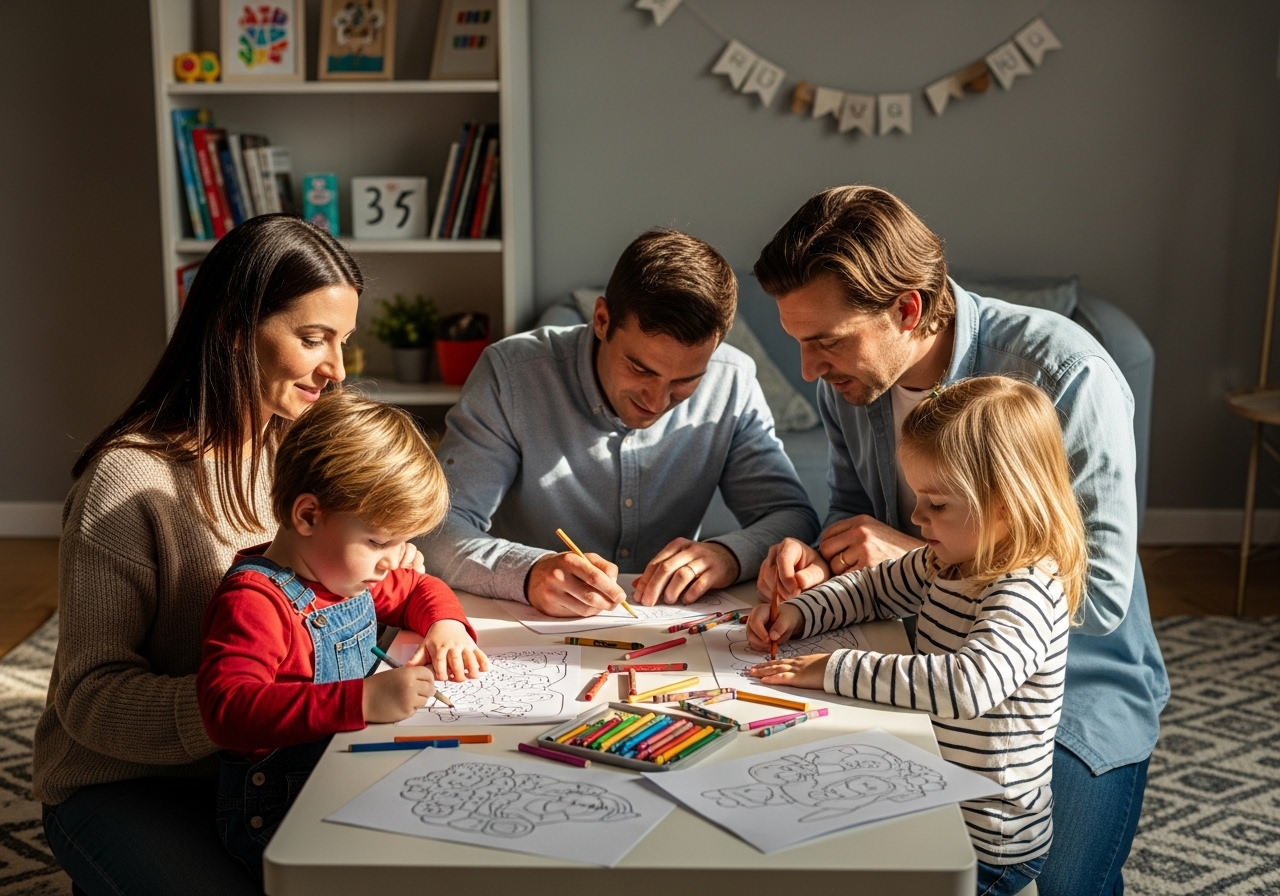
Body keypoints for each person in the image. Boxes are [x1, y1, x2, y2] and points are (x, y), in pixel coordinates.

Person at [753, 186, 1169, 896]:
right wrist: (818, 566)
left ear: (907, 309)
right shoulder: (847, 385)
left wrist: (928, 560)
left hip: (1073, 684)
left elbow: (1099, 596)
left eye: (827, 340)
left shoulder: (1066, 373)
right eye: (799, 341)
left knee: (1057, 880)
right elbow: (852, 516)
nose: (809, 369)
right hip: (920, 657)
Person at [32, 215, 423, 895]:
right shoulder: (127, 485)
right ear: (235, 329)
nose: (336, 370)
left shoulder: (300, 449)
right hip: (129, 784)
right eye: (313, 339)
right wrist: (240, 706)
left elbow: (331, 604)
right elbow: (88, 702)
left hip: (270, 764)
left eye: (343, 341)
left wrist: (380, 555)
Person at [748, 376, 1086, 896]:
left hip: (987, 842)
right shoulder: (946, 559)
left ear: (1004, 504)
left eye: (937, 504)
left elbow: (968, 685)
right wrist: (798, 614)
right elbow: (872, 589)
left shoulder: (1026, 587)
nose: (915, 516)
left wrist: (831, 668)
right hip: (934, 799)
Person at [421, 229, 818, 617]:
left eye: (685, 381)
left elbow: (792, 517)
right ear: (602, 319)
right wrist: (526, 573)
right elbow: (435, 530)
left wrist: (729, 555)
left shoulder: (732, 380)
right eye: (640, 369)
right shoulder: (510, 374)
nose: (657, 401)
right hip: (528, 624)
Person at [198, 389, 486, 879]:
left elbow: (420, 588)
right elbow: (228, 711)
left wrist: (446, 625)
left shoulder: (343, 573)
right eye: (377, 541)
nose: (392, 561)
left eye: (402, 542)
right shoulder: (254, 602)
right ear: (308, 516)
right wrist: (362, 700)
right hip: (280, 812)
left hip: (348, 771)